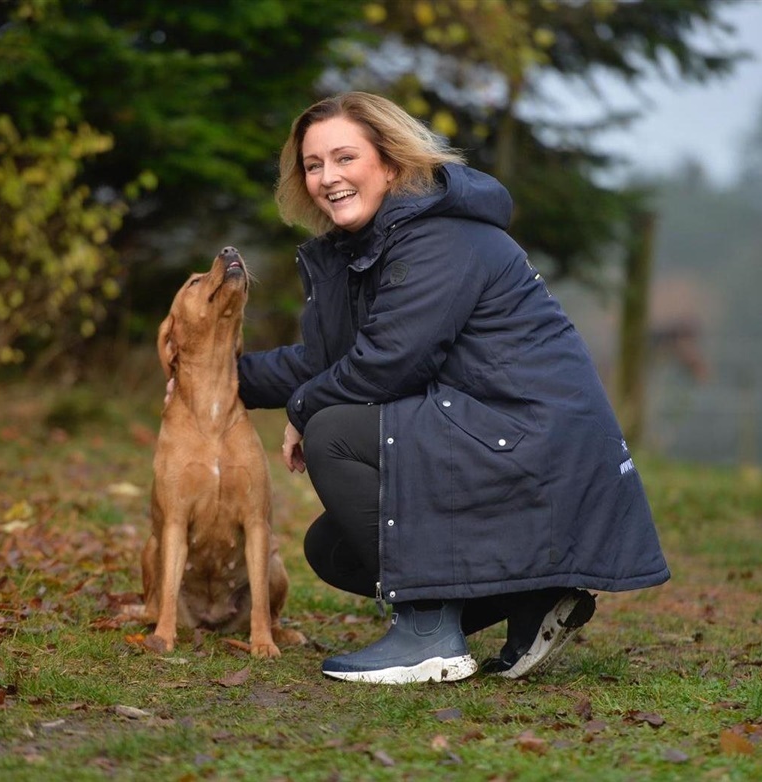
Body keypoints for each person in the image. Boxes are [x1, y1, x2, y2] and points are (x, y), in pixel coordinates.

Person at [235, 92, 670, 684]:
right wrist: (213, 377)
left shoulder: (436, 237)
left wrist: (304, 408)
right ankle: (534, 598)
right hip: (494, 432)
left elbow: (386, 364)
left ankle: (427, 634)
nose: (327, 177)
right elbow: (327, 361)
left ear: (392, 164)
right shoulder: (375, 243)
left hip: (531, 440)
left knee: (333, 432)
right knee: (332, 548)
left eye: (345, 158)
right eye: (313, 165)